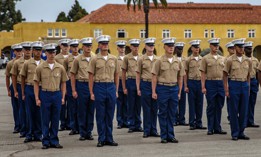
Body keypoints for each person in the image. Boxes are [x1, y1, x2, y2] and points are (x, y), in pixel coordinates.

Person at [34, 43, 68, 149]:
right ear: (46, 53)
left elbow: (63, 83)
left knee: (55, 118)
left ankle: (54, 140)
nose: (51, 54)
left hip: (57, 94)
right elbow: (36, 83)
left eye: (53, 52)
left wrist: (62, 97)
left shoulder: (60, 67)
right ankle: (45, 141)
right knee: (45, 119)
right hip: (45, 93)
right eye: (49, 52)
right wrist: (37, 98)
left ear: (55, 53)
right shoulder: (40, 67)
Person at [151, 37, 185, 143]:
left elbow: (180, 77)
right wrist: (153, 91)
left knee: (172, 113)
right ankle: (164, 136)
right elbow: (154, 76)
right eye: (169, 46)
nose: (171, 48)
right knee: (163, 112)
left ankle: (171, 135)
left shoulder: (177, 61)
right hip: (163, 88)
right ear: (164, 47)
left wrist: (179, 91)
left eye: (172, 46)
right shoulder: (159, 61)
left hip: (174, 88)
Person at [88, 35, 119, 147]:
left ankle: (109, 138)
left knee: (110, 114)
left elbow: (116, 75)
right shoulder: (94, 59)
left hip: (110, 86)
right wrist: (91, 92)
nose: (105, 45)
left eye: (106, 43)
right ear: (99, 45)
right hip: (99, 86)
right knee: (100, 114)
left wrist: (116, 89)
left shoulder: (114, 59)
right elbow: (91, 76)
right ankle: (101, 138)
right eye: (103, 43)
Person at [223, 38, 251, 141]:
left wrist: (248, 87)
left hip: (244, 84)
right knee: (234, 110)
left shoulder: (247, 60)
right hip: (234, 83)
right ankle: (234, 132)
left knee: (244, 110)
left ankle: (241, 132)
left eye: (242, 47)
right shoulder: (230, 60)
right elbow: (225, 75)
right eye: (239, 47)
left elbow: (248, 75)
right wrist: (226, 89)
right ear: (235, 48)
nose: (241, 49)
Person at [70, 37, 95, 141]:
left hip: (93, 85)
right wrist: (74, 90)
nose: (88, 48)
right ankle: (82, 132)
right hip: (82, 85)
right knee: (82, 110)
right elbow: (72, 74)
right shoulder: (78, 59)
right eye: (86, 46)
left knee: (91, 109)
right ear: (83, 47)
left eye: (90, 46)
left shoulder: (95, 58)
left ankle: (89, 132)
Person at [200, 38, 226, 135]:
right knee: (211, 106)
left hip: (220, 83)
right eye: (214, 45)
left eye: (217, 45)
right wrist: (203, 87)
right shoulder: (205, 58)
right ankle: (210, 128)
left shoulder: (222, 58)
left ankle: (217, 127)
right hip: (210, 83)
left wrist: (225, 86)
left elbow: (225, 74)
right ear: (210, 46)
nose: (216, 47)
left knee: (219, 105)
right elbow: (203, 73)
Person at [20, 41, 44, 143]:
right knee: (29, 112)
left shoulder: (44, 63)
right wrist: (23, 92)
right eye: (36, 50)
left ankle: (38, 134)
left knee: (39, 113)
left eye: (39, 50)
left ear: (41, 51)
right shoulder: (27, 63)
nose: (38, 52)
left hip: (41, 89)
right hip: (29, 88)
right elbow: (22, 78)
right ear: (33, 51)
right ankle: (29, 134)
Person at [136, 37, 159, 138]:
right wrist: (138, 88)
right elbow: (138, 75)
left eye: (152, 45)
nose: (151, 47)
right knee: (146, 109)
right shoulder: (141, 59)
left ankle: (153, 129)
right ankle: (146, 130)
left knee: (155, 108)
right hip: (145, 84)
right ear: (145, 46)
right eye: (149, 45)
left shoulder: (158, 59)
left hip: (156, 85)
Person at [10, 41, 32, 138]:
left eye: (29, 49)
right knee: (22, 109)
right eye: (26, 50)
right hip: (20, 86)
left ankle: (33, 129)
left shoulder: (35, 62)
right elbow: (13, 77)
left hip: (32, 86)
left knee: (32, 110)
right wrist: (15, 90)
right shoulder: (17, 63)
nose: (27, 51)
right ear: (23, 50)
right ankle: (23, 129)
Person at [122, 38, 143, 133]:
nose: (136, 48)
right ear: (130, 47)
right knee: (130, 104)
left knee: (138, 104)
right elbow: (123, 73)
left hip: (140, 82)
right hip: (130, 81)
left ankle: (138, 124)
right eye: (134, 46)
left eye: (137, 46)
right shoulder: (127, 58)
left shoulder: (142, 57)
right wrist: (124, 87)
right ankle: (131, 124)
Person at [185, 40, 205, 130]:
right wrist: (185, 85)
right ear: (192, 48)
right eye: (195, 47)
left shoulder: (203, 59)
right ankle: (192, 123)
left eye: (198, 47)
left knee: (200, 103)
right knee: (192, 104)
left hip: (200, 82)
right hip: (191, 82)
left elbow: (204, 73)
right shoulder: (188, 60)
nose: (197, 49)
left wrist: (204, 85)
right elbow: (185, 73)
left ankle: (199, 122)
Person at [5, 43, 23, 134]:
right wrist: (8, 89)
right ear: (14, 52)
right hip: (15, 86)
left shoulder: (26, 62)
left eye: (20, 50)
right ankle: (17, 126)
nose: (19, 52)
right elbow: (7, 77)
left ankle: (24, 125)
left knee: (24, 107)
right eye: (17, 51)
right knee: (16, 107)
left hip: (24, 86)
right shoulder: (10, 63)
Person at [63, 39, 80, 135]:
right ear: (70, 48)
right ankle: (73, 127)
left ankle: (81, 126)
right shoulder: (67, 59)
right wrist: (64, 88)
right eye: (73, 47)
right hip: (70, 83)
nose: (75, 48)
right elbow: (64, 73)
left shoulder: (82, 58)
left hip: (80, 82)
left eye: (76, 46)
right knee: (72, 107)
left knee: (81, 107)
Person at [55, 38, 71, 131]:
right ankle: (62, 123)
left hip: (69, 81)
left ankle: (69, 123)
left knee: (70, 104)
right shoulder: (57, 57)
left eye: (67, 46)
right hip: (60, 82)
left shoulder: (71, 57)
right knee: (62, 102)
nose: (66, 47)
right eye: (64, 45)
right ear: (61, 46)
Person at [244, 41, 259, 128]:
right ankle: (244, 121)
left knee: (252, 102)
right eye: (248, 49)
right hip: (245, 81)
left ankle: (251, 121)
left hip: (253, 81)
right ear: (245, 50)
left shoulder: (255, 60)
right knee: (245, 102)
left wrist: (257, 83)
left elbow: (257, 72)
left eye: (251, 48)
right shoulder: (243, 59)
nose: (250, 50)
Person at [115, 40, 128, 129]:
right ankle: (120, 121)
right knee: (119, 102)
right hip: (119, 81)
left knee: (127, 103)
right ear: (117, 48)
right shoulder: (115, 59)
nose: (122, 49)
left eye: (123, 47)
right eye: (120, 47)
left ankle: (126, 120)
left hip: (127, 81)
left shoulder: (127, 58)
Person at [174, 42, 188, 126]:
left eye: (181, 49)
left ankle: (182, 119)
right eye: (179, 49)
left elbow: (185, 73)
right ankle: (174, 119)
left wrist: (185, 85)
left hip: (182, 82)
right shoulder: (173, 58)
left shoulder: (185, 59)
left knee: (182, 102)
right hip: (174, 82)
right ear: (176, 49)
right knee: (175, 102)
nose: (180, 51)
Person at [224, 42, 235, 122]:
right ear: (228, 49)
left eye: (234, 48)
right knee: (230, 100)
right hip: (229, 80)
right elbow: (224, 73)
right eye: (231, 48)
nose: (233, 50)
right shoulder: (226, 60)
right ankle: (230, 115)